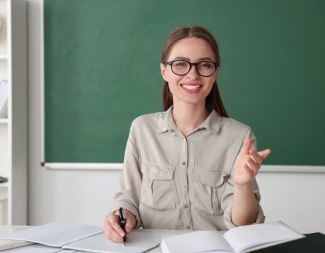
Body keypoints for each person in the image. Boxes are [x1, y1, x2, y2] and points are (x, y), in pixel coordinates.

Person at [104, 26, 271, 243]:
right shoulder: (141, 129)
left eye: (204, 65)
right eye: (180, 64)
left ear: (215, 73)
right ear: (164, 71)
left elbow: (244, 225)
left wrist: (242, 184)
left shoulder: (239, 136)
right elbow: (127, 201)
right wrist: (121, 218)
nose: (193, 74)